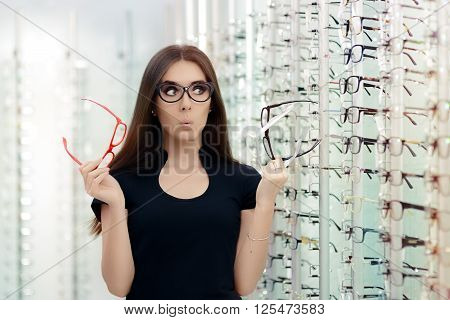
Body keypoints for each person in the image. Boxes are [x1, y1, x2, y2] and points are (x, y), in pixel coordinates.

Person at [78, 45, 288, 300]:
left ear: (211, 103)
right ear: (152, 104)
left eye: (198, 89)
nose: (186, 104)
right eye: (171, 91)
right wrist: (116, 202)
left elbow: (244, 285)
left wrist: (266, 200)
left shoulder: (243, 181)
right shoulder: (120, 184)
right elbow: (118, 286)